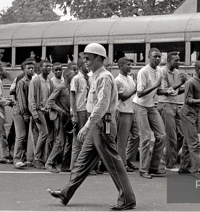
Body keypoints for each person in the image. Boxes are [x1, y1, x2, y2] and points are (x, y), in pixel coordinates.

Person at [47, 43, 136, 211]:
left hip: (102, 124)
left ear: (99, 59)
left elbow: (102, 105)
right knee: (82, 162)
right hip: (97, 124)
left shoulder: (104, 77)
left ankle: (127, 199)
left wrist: (87, 126)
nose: (85, 61)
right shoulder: (95, 76)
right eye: (84, 58)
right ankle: (66, 192)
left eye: (88, 58)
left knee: (113, 163)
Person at [132, 48, 167, 179]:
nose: (157, 59)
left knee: (162, 135)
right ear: (149, 57)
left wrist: (168, 91)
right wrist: (156, 85)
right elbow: (139, 93)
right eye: (155, 57)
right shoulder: (143, 72)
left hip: (150, 105)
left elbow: (159, 91)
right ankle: (143, 169)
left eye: (159, 57)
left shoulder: (160, 71)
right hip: (140, 105)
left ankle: (154, 167)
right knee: (145, 137)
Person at [157, 51, 187, 171]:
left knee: (182, 135)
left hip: (175, 104)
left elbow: (175, 91)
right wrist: (181, 83)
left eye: (179, 60)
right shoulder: (163, 72)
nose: (179, 62)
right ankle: (170, 164)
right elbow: (164, 90)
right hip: (165, 104)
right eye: (176, 60)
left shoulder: (176, 72)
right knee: (171, 137)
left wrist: (187, 86)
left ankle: (165, 156)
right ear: (169, 61)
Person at [45, 69, 76, 173]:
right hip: (60, 117)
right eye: (72, 75)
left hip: (67, 118)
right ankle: (49, 162)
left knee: (70, 141)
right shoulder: (61, 87)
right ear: (67, 76)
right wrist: (60, 110)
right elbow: (50, 102)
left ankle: (65, 165)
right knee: (60, 141)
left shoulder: (70, 87)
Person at [114, 57, 139, 172]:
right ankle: (121, 165)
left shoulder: (130, 78)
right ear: (120, 66)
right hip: (122, 112)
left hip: (131, 111)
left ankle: (127, 159)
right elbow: (122, 97)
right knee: (122, 141)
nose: (130, 66)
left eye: (131, 64)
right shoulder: (118, 81)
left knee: (136, 136)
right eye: (128, 65)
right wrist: (135, 89)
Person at [28, 59, 53, 169]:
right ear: (41, 68)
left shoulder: (49, 81)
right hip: (38, 110)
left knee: (44, 135)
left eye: (50, 66)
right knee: (44, 134)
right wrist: (34, 112)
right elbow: (31, 97)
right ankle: (37, 159)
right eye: (46, 66)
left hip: (46, 111)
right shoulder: (35, 80)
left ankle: (41, 157)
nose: (49, 68)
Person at [13, 58, 35, 169]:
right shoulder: (22, 82)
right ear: (24, 70)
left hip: (27, 111)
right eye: (29, 68)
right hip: (20, 111)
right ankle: (17, 159)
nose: (31, 70)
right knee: (21, 136)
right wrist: (25, 113)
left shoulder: (32, 81)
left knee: (26, 136)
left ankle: (24, 158)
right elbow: (21, 100)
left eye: (32, 68)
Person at [70, 56, 90, 170]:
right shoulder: (76, 79)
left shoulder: (89, 78)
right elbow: (72, 97)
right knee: (77, 140)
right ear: (79, 66)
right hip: (79, 111)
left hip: (87, 111)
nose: (87, 65)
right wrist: (74, 114)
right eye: (85, 64)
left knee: (85, 139)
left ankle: (82, 165)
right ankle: (75, 166)